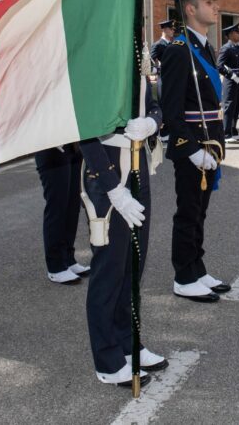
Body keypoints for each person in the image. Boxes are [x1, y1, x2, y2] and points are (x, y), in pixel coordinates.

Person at [78, 80, 165, 387]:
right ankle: (107, 358)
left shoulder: (133, 55)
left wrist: (152, 122)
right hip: (108, 169)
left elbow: (154, 104)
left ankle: (128, 343)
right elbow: (84, 127)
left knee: (133, 264)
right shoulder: (96, 60)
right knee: (110, 268)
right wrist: (112, 187)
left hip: (139, 163)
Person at [159, 0, 230, 303]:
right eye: (209, 3)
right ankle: (183, 276)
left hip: (210, 141)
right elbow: (171, 109)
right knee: (187, 211)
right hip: (194, 145)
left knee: (200, 211)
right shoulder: (178, 50)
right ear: (190, 8)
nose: (216, 7)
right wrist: (189, 149)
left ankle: (197, 267)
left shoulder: (203, 47)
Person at [35, 144, 91, 285]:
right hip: (50, 145)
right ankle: (55, 266)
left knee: (72, 206)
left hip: (73, 144)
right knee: (57, 207)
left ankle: (68, 259)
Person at [218, 23, 239, 143]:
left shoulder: (237, 47)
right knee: (229, 106)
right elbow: (219, 66)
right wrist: (232, 75)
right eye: (237, 32)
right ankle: (226, 133)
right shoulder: (226, 48)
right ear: (231, 34)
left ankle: (233, 130)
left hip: (238, 80)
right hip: (230, 81)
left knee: (236, 105)